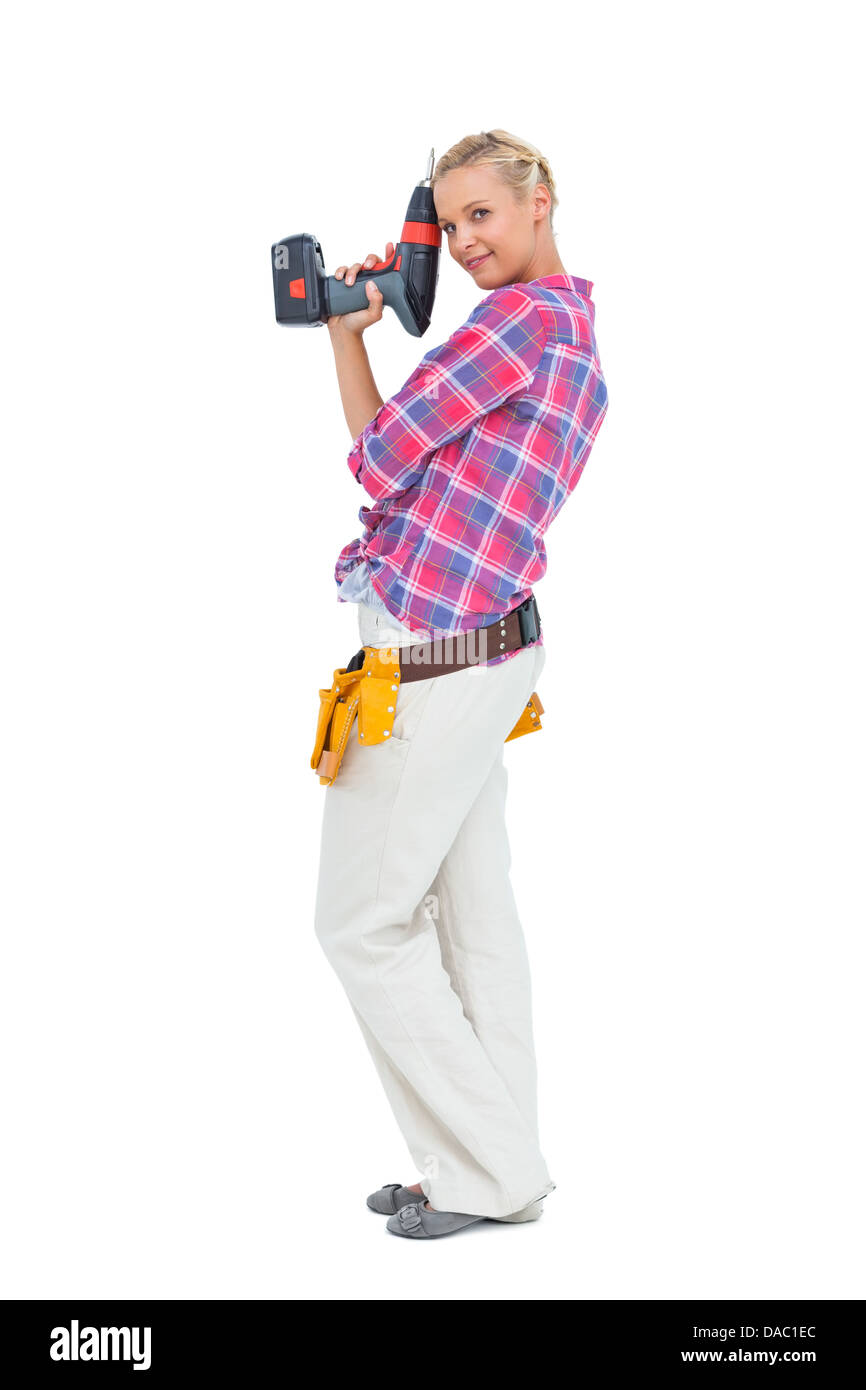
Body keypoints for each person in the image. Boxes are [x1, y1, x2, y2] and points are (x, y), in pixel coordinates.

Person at [313, 129, 609, 1239]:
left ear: (540, 203)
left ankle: (490, 1167)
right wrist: (362, 336)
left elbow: (375, 454)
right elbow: (406, 462)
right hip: (487, 649)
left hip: (433, 657)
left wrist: (346, 336)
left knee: (360, 924)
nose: (462, 242)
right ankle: (481, 1164)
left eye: (480, 214)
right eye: (445, 223)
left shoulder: (510, 327)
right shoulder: (570, 328)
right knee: (470, 917)